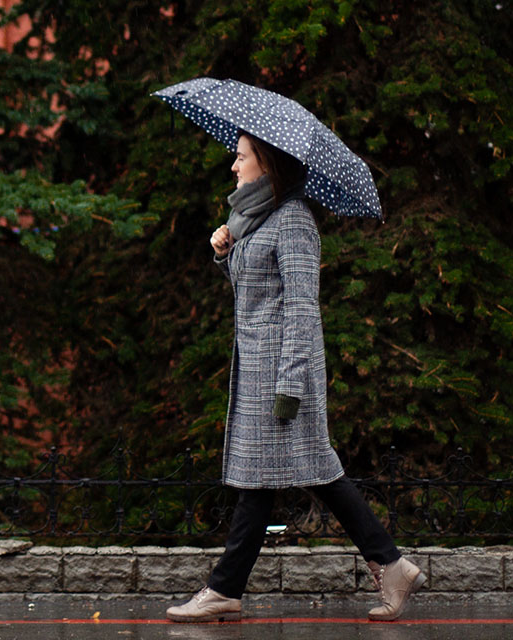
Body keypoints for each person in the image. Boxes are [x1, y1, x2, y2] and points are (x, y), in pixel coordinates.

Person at [166, 132, 425, 623]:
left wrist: (290, 385)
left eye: (241, 157)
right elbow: (255, 292)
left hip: (282, 378)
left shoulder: (294, 221)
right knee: (307, 477)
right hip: (260, 373)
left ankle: (224, 589)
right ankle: (392, 565)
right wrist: (225, 252)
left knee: (270, 483)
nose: (233, 166)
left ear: (265, 163)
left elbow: (303, 311)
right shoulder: (255, 219)